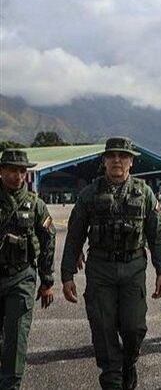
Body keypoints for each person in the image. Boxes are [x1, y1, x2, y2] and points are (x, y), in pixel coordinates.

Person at [61, 137, 161, 390]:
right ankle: (112, 377)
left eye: (123, 156)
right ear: (104, 161)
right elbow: (75, 235)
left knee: (134, 327)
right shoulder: (89, 194)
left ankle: (129, 361)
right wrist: (67, 275)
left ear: (131, 162)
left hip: (133, 267)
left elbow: (155, 235)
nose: (117, 160)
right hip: (101, 268)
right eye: (112, 156)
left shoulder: (145, 193)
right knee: (102, 326)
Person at [0, 149, 56, 390]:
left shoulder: (35, 205)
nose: (18, 176)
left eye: (22, 171)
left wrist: (47, 281)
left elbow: (48, 240)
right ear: (1, 171)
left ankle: (11, 386)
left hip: (21, 278)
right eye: (12, 170)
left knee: (16, 338)